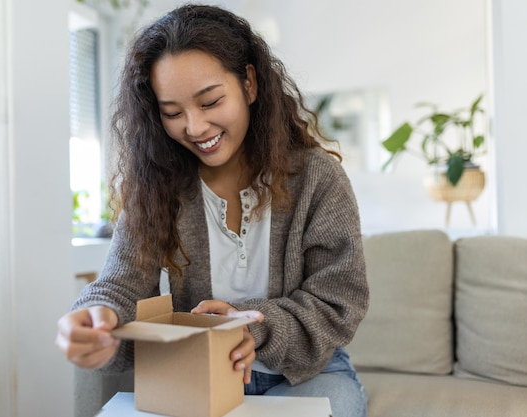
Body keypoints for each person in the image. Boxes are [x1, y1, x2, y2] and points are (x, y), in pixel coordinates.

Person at [56, 4, 369, 416]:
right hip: (198, 370)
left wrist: (253, 325)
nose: (194, 127)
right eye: (172, 113)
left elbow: (339, 301)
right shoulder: (158, 186)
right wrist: (97, 318)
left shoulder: (317, 177)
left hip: (307, 373)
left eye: (210, 102)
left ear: (250, 84)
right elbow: (123, 283)